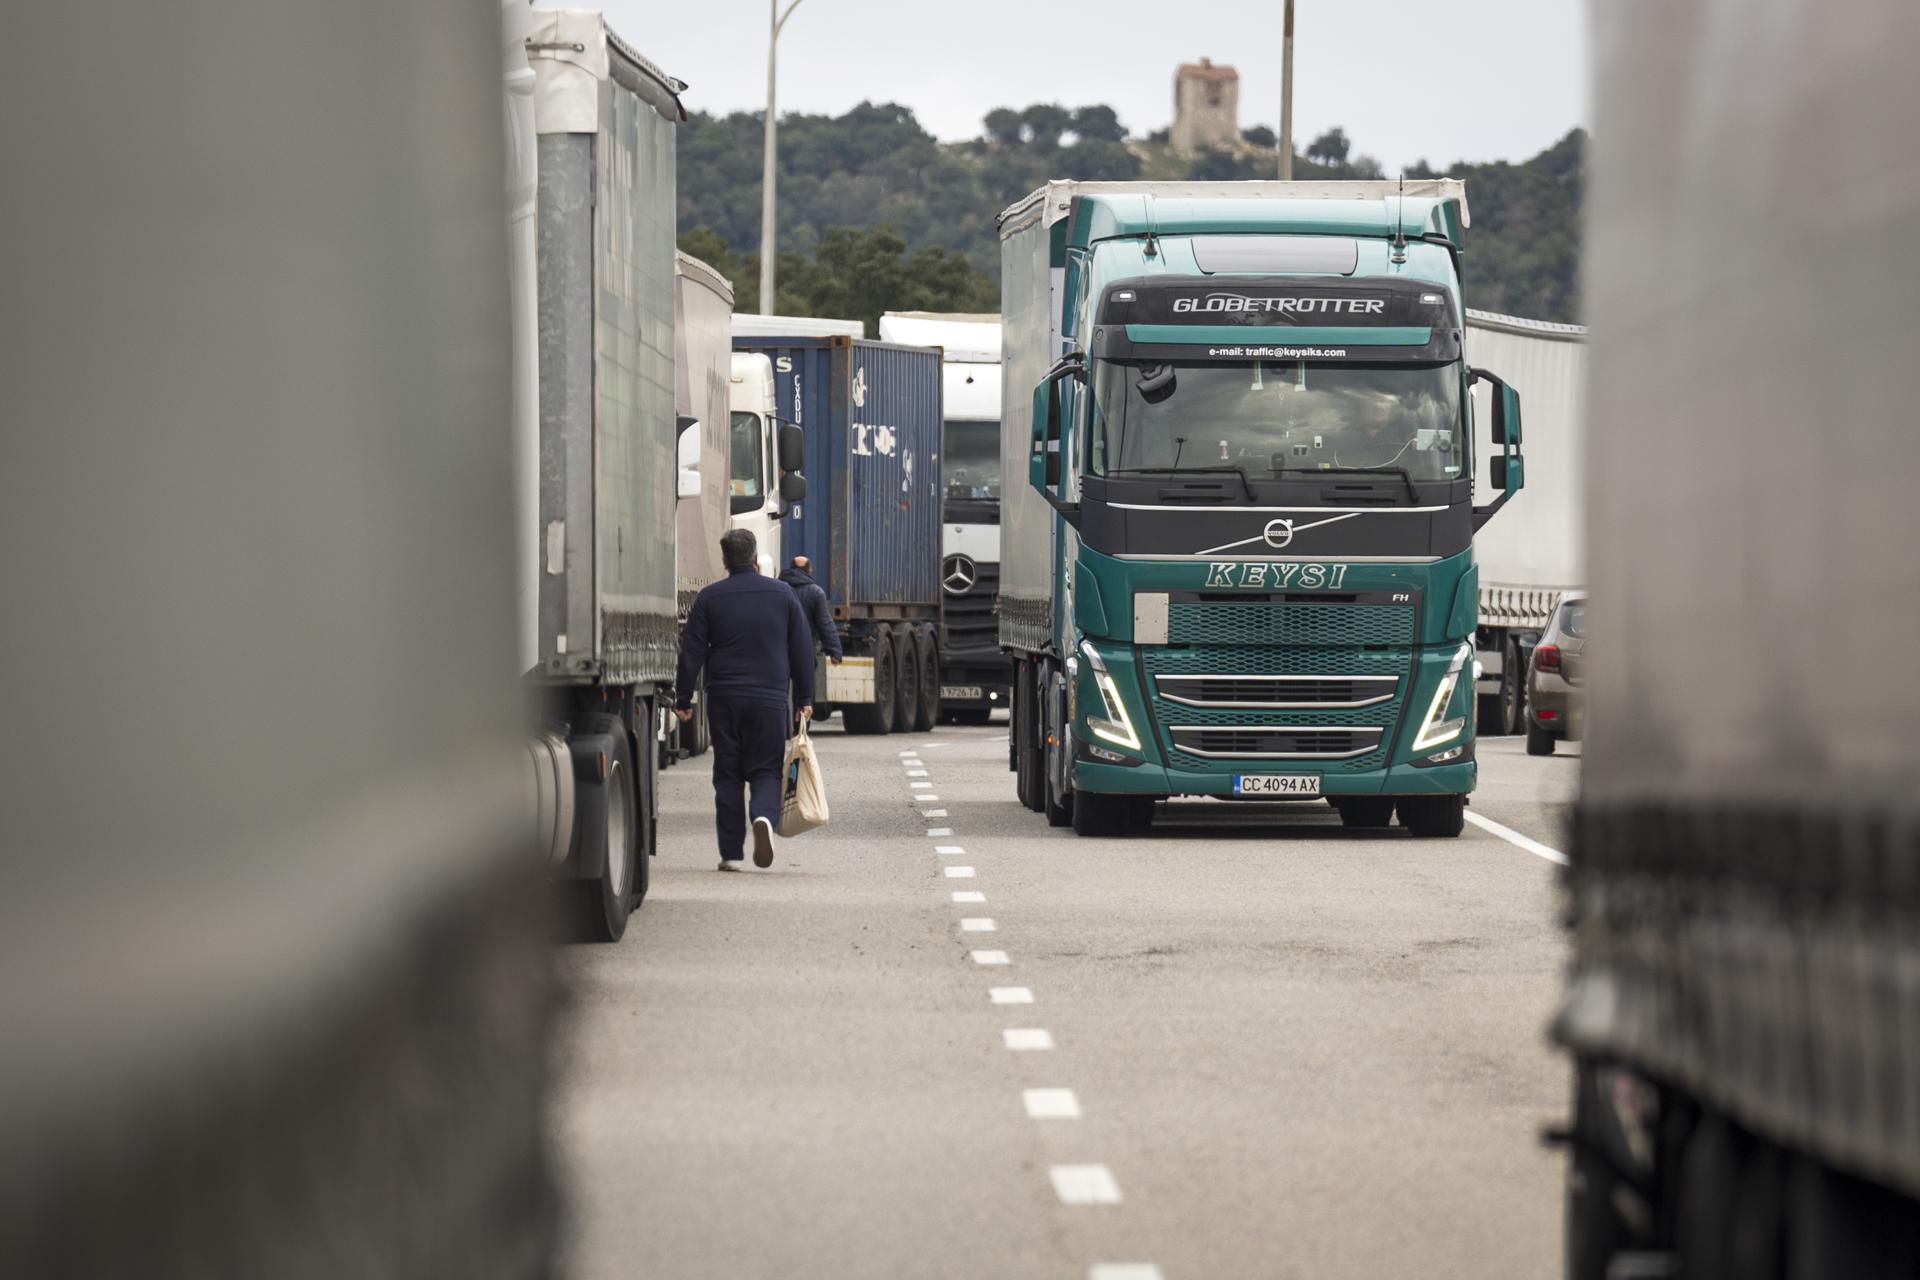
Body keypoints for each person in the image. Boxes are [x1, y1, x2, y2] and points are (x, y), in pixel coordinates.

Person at [675, 529, 814, 871]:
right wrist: (805, 698)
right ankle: (763, 817)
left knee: (728, 773)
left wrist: (683, 698)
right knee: (766, 768)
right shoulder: (783, 595)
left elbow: (691, 651)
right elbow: (802, 649)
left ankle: (730, 854)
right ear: (755, 558)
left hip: (725, 697)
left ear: (725, 561)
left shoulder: (710, 598)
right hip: (769, 698)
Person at [779, 555, 843, 664]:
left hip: (781, 650)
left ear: (791, 568)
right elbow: (824, 623)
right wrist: (835, 651)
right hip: (805, 650)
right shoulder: (815, 592)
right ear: (809, 570)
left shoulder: (779, 589)